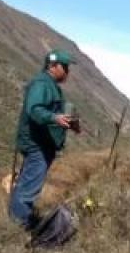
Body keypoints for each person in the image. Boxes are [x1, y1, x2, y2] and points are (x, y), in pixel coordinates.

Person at [9, 49, 81, 228]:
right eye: (65, 67)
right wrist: (54, 118)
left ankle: (17, 220)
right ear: (52, 66)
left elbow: (51, 112)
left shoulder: (50, 85)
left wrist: (69, 123)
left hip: (43, 145)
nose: (67, 71)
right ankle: (19, 227)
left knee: (27, 183)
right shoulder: (41, 84)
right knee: (27, 190)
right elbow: (34, 109)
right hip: (37, 145)